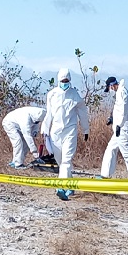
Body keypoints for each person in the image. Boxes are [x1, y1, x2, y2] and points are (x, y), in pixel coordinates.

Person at [41, 68, 90, 200]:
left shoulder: (75, 95)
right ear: (58, 81)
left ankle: (61, 187)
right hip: (55, 132)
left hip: (70, 131)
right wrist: (44, 130)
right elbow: (49, 114)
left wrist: (86, 130)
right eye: (62, 81)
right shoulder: (51, 95)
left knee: (67, 160)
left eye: (67, 80)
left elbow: (83, 114)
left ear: (70, 80)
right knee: (60, 161)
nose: (65, 83)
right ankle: (71, 185)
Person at [98, 76, 128, 179]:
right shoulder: (120, 92)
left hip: (123, 128)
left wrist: (119, 125)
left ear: (112, 86)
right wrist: (112, 118)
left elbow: (123, 110)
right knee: (111, 149)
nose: (109, 92)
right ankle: (105, 175)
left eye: (109, 89)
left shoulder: (122, 92)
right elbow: (118, 109)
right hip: (119, 128)